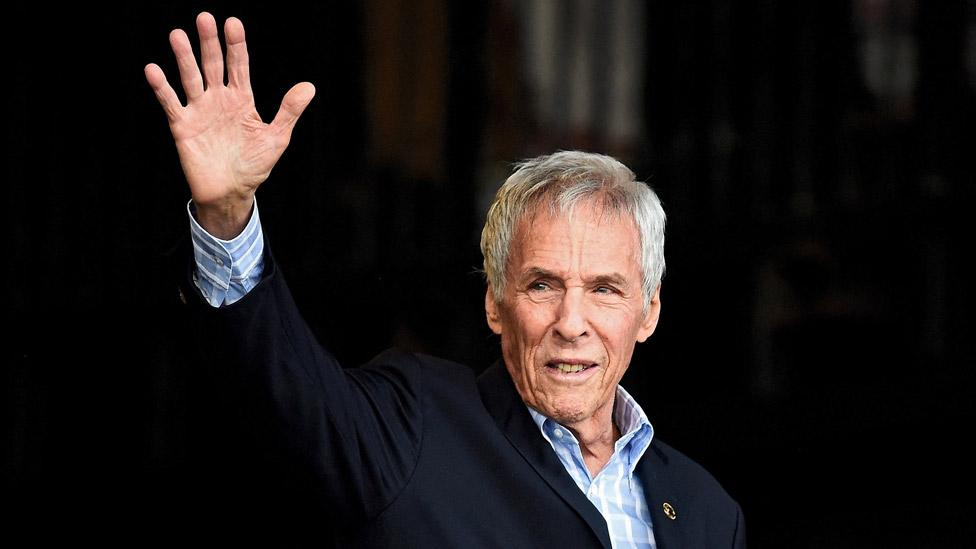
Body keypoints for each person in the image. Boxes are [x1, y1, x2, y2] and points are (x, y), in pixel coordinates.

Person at [145, 11, 745, 548]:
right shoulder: (415, 426)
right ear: (494, 302)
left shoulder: (707, 513)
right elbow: (287, 391)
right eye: (542, 285)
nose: (571, 323)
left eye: (605, 289)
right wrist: (227, 220)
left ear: (649, 312)